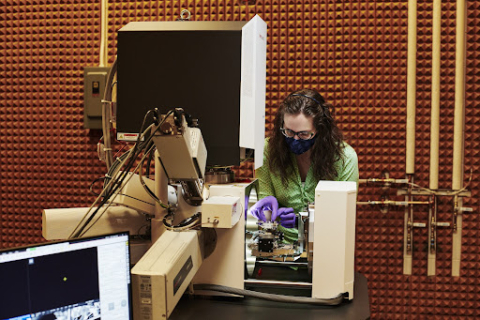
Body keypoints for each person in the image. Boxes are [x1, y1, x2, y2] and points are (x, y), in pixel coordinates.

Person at [248, 88, 359, 241]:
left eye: (304, 134)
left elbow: (342, 216)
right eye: (289, 132)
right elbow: (264, 201)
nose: (295, 139)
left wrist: (301, 221)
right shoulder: (268, 150)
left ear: (320, 130)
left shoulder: (345, 158)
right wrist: (267, 211)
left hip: (326, 246)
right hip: (280, 247)